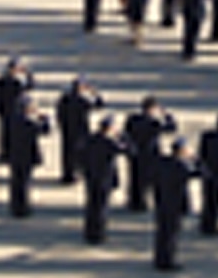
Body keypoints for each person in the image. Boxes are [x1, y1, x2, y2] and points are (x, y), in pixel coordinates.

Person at [78, 115, 128, 245]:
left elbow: (79, 154)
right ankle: (98, 233)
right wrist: (122, 137)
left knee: (91, 204)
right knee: (101, 206)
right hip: (104, 176)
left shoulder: (90, 139)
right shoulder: (110, 142)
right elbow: (130, 150)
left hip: (91, 175)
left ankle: (89, 231)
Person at [122, 97, 175, 212]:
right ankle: (142, 202)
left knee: (134, 178)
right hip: (150, 154)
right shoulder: (154, 122)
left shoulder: (133, 119)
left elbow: (125, 134)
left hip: (135, 153)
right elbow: (171, 128)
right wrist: (166, 114)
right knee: (148, 179)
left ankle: (134, 201)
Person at [152, 138, 198, 270]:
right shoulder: (182, 166)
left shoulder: (162, 162)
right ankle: (168, 260)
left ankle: (159, 258)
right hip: (176, 203)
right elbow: (203, 172)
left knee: (162, 232)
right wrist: (194, 159)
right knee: (171, 233)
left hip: (161, 201)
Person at [5, 94, 51, 218]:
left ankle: (15, 206)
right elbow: (45, 130)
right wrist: (44, 118)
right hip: (26, 155)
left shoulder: (14, 119)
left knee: (16, 181)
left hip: (15, 155)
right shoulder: (27, 122)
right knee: (24, 182)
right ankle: (22, 207)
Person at [55, 76, 103, 186]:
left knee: (67, 152)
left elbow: (59, 113)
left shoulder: (65, 98)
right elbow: (99, 104)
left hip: (67, 129)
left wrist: (61, 125)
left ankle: (68, 174)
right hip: (81, 129)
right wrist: (94, 93)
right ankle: (78, 172)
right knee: (81, 152)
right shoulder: (82, 100)